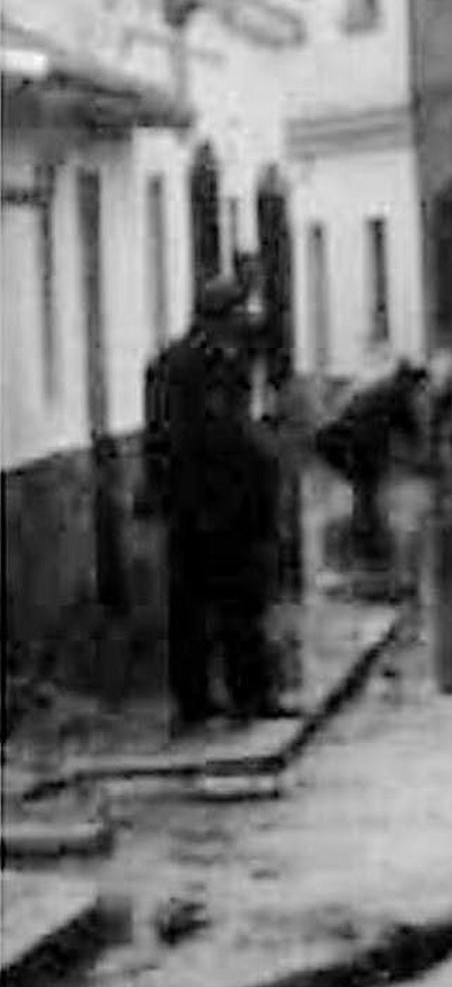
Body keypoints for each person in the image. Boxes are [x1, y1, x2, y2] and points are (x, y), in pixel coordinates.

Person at [142, 275, 284, 733]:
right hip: (208, 504)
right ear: (222, 318)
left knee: (217, 605)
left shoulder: (209, 362)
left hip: (215, 504)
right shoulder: (191, 367)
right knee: (219, 604)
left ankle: (221, 698)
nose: (247, 322)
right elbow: (186, 438)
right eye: (240, 314)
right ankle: (225, 697)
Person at [312, 361, 428, 568]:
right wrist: (421, 457)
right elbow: (410, 430)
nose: (419, 393)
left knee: (366, 492)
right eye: (419, 387)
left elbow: (403, 431)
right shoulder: (397, 394)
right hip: (352, 445)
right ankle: (366, 545)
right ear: (411, 382)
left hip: (338, 441)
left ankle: (365, 541)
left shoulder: (380, 387)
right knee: (366, 491)